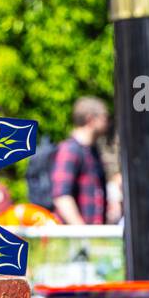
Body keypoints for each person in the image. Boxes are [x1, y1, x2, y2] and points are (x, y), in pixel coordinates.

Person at [50, 96, 111, 225]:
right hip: (75, 241)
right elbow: (62, 197)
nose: (108, 122)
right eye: (105, 117)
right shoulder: (70, 150)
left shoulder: (92, 152)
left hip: (92, 238)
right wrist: (82, 234)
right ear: (90, 120)